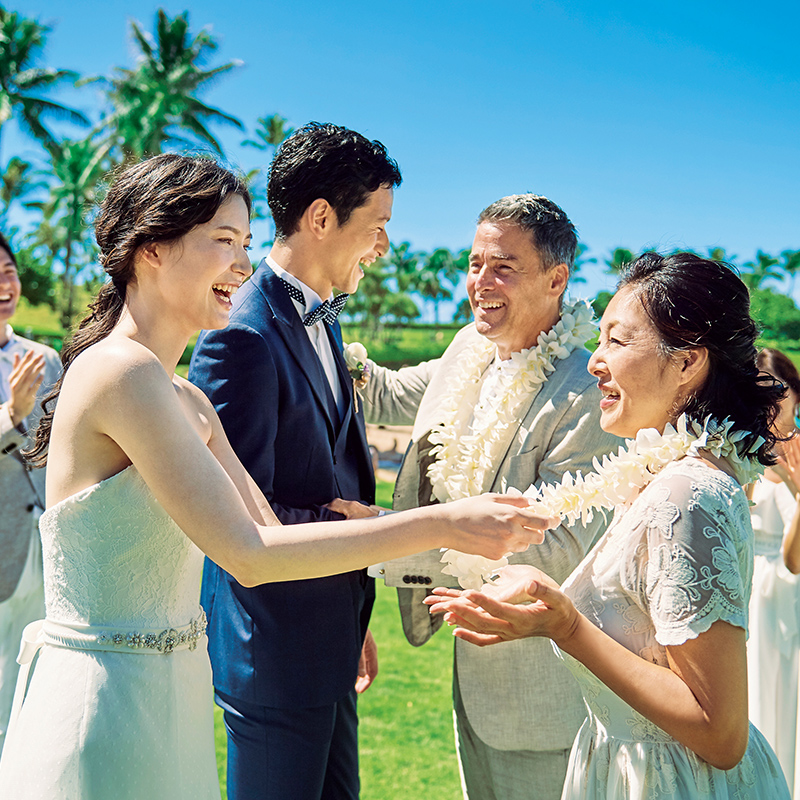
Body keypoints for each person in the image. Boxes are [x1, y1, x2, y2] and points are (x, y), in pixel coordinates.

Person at [0, 153, 554, 800]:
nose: (242, 264)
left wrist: (381, 561)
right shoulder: (120, 373)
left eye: (245, 242)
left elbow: (274, 538)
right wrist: (444, 524)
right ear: (152, 249)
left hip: (172, 694)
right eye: (223, 241)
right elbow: (250, 556)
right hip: (108, 698)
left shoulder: (187, 399)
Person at [427, 251, 791, 799]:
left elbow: (720, 734)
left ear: (688, 362)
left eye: (617, 342)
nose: (595, 361)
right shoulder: (666, 475)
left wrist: (567, 626)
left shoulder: (687, 492)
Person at [361, 194, 619, 800]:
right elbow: (391, 394)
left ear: (557, 279)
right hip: (474, 682)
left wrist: (383, 540)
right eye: (475, 263)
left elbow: (558, 548)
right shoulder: (467, 349)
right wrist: (313, 338)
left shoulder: (588, 392)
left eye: (503, 266)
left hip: (545, 694)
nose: (481, 282)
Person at [189, 122, 400, 800]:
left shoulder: (324, 316)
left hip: (328, 642)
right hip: (274, 653)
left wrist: (349, 622)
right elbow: (233, 513)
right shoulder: (241, 336)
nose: (384, 246)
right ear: (320, 217)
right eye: (376, 225)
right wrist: (361, 525)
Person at [0, 233, 60, 753]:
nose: (5, 285)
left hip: (50, 544)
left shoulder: (45, 359)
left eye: (9, 271)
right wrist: (10, 415)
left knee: (43, 684)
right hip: (2, 547)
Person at [747, 347, 800, 792]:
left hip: (785, 591)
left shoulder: (794, 455)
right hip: (749, 591)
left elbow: (794, 560)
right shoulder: (739, 453)